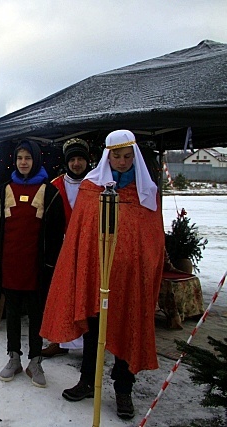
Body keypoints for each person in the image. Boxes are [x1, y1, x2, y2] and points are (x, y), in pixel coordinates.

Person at [40, 130, 164, 420]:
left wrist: (143, 265)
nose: (122, 162)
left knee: (126, 326)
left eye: (127, 156)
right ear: (108, 156)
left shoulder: (145, 193)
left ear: (135, 156)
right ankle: (88, 381)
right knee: (95, 331)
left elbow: (152, 239)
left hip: (129, 277)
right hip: (97, 276)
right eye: (116, 156)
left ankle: (123, 389)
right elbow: (80, 237)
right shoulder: (91, 189)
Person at [0, 139, 65, 388]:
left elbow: (55, 234)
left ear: (36, 160)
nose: (23, 162)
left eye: (28, 158)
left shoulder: (50, 192)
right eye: (20, 158)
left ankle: (36, 361)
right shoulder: (3, 190)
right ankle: (14, 358)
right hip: (10, 266)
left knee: (37, 316)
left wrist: (50, 266)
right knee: (14, 314)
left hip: (36, 268)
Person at [41, 138, 92, 358]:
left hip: (89, 251)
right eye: (72, 159)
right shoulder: (55, 186)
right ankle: (59, 341)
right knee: (61, 296)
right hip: (62, 251)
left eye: (80, 159)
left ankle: (88, 343)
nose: (76, 163)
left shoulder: (95, 185)